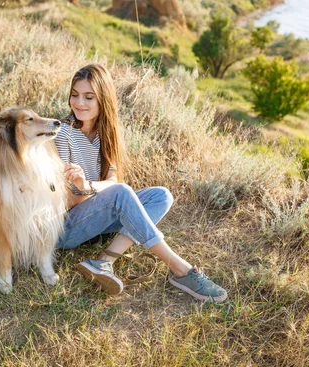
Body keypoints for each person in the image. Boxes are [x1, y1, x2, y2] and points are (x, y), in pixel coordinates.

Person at [54, 63, 227, 303]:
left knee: (161, 195)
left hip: (95, 219)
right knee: (121, 193)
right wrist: (88, 190)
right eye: (75, 95)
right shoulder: (62, 134)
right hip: (64, 228)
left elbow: (113, 180)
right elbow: (61, 200)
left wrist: (89, 187)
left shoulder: (107, 133)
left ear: (103, 99)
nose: (79, 103)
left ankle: (104, 262)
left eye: (88, 97)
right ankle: (180, 269)